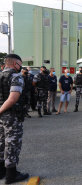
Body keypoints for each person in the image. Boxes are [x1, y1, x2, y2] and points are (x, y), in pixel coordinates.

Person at [0, 54, 29, 184]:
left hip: (2, 117)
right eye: (20, 63)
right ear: (15, 63)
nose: (21, 66)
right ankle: (11, 175)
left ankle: (1, 171)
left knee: (1, 143)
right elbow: (12, 99)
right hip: (11, 116)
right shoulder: (15, 76)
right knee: (12, 144)